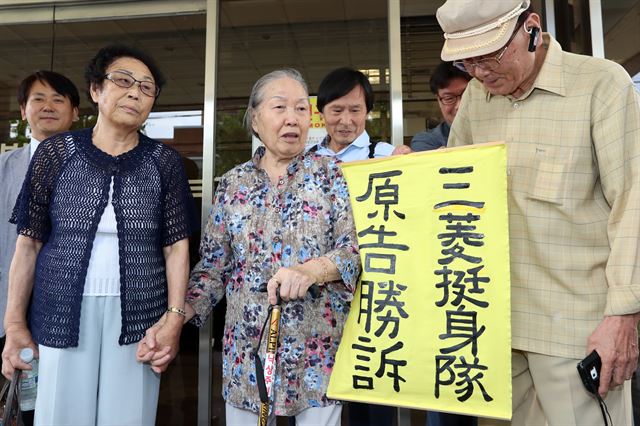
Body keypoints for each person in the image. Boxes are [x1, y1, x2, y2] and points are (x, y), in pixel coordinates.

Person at [436, 0, 640, 424]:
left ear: (531, 28)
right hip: (492, 327)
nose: (480, 71)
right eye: (467, 60)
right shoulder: (476, 97)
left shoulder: (600, 85)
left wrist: (623, 314)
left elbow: (632, 203)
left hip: (574, 328)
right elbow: (453, 190)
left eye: (490, 54)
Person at [140, 68, 361, 425]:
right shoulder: (231, 185)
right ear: (255, 120)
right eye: (280, 108)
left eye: (302, 109)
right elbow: (212, 268)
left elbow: (355, 250)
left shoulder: (336, 175)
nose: (293, 118)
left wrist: (311, 270)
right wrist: (177, 318)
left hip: (317, 349)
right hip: (248, 347)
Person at [1, 44, 194, 426]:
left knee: (128, 417)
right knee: (60, 415)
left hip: (140, 314)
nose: (135, 93)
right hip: (59, 311)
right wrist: (14, 325)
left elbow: (176, 248)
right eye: (123, 81)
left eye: (147, 88)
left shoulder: (165, 163)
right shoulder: (57, 153)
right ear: (95, 90)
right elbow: (29, 243)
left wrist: (173, 319)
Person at [0, 70, 79, 426]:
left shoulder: (89, 165)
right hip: (6, 308)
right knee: (14, 404)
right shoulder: (3, 167)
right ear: (22, 110)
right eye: (38, 99)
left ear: (76, 113)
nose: (48, 107)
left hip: (66, 310)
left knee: (62, 407)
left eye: (58, 100)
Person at [308, 67, 411, 160]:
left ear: (367, 112)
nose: (346, 121)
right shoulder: (303, 159)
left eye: (355, 110)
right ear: (321, 113)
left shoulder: (387, 157)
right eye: (337, 111)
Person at [410, 61, 470, 151]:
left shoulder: (496, 129)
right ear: (438, 101)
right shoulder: (428, 141)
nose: (459, 105)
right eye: (449, 98)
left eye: (467, 94)